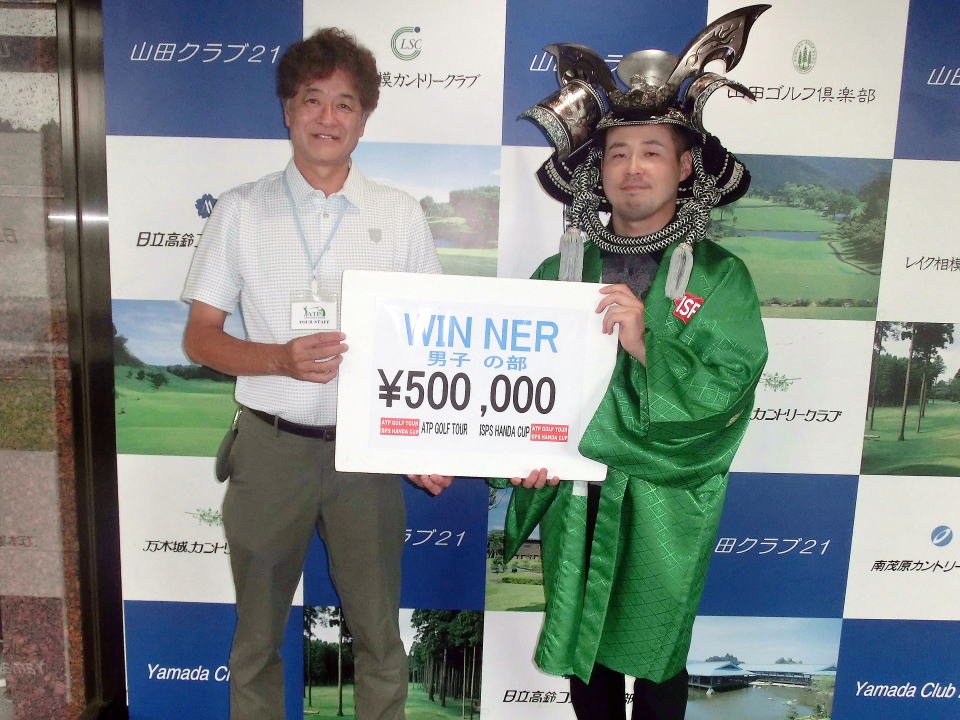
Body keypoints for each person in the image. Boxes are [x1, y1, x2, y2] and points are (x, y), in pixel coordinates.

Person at [498, 7, 770, 719]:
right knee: (584, 657)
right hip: (579, 487)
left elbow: (730, 384)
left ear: (685, 166)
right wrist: (524, 453)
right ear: (598, 169)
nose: (633, 168)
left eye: (652, 151)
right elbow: (516, 382)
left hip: (665, 494)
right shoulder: (561, 269)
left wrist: (647, 341)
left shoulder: (720, 276)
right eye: (617, 153)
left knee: (656, 658)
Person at [182, 27, 451, 720]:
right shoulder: (240, 210)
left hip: (368, 456)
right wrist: (278, 358)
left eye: (345, 104)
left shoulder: (400, 213)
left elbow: (428, 344)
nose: (328, 117)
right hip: (269, 448)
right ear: (287, 109)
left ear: (364, 118)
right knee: (256, 640)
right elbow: (200, 338)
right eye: (313, 99)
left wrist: (423, 441)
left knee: (380, 638)